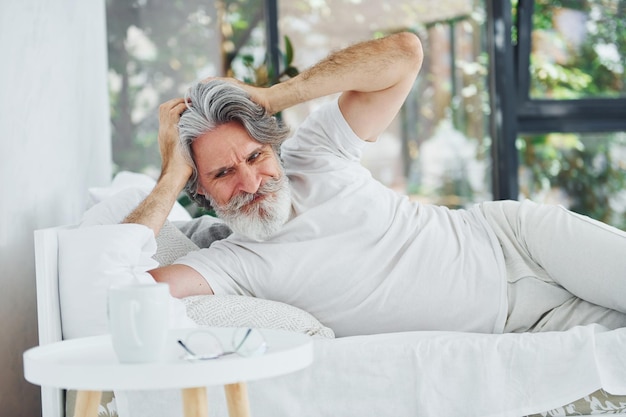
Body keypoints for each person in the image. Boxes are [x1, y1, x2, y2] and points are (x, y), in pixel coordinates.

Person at [125, 32, 626, 338]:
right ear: (201, 192)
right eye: (222, 174)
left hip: (515, 240)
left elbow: (404, 54)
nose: (251, 180)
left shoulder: (314, 154)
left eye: (256, 155)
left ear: (273, 146)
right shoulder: (229, 267)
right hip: (516, 321)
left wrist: (272, 96)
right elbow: (119, 290)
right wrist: (171, 173)